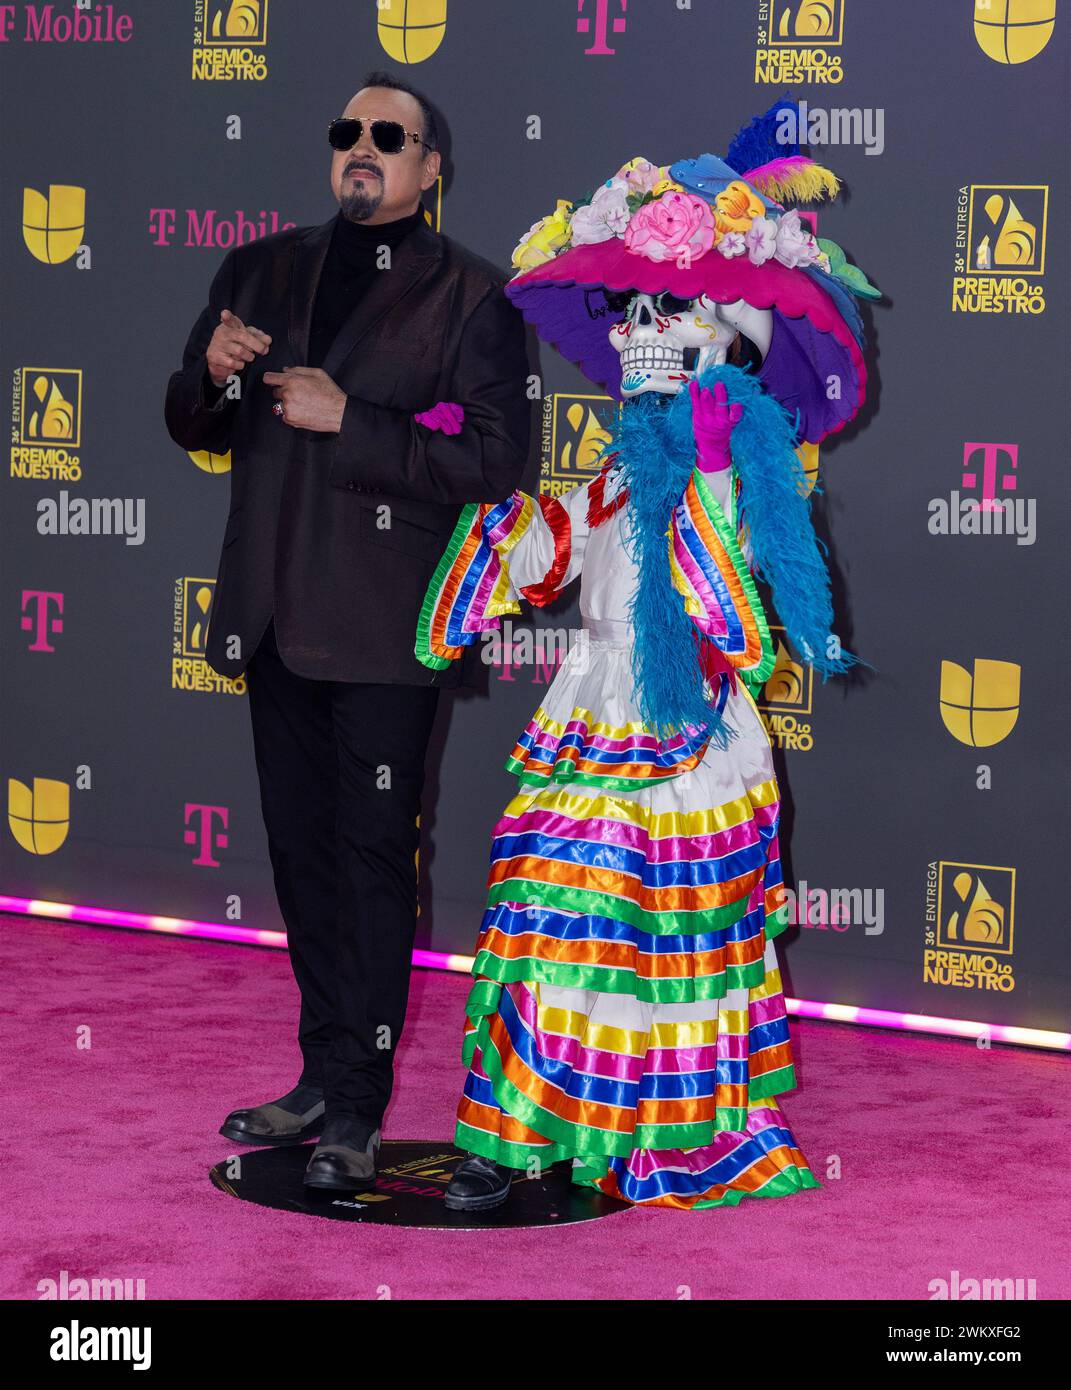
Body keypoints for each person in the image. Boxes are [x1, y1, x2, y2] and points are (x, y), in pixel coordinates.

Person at [415, 101, 880, 1210]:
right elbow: (550, 553)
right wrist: (480, 498)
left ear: (726, 337)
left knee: (659, 935)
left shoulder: (743, 468)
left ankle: (664, 1132)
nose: (640, 327)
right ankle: (518, 1133)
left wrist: (711, 474)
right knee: (547, 908)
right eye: (631, 308)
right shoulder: (623, 468)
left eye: (668, 307)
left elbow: (735, 621)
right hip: (591, 711)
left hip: (683, 736)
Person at [164, 71, 530, 1189]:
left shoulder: (472, 294)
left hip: (382, 631)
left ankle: (361, 1108)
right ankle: (322, 1075)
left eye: (392, 136)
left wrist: (353, 421)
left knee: (375, 864)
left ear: (430, 171)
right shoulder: (261, 267)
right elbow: (191, 417)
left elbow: (494, 463)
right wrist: (212, 378)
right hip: (274, 618)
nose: (362, 148)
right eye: (349, 133)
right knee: (302, 857)